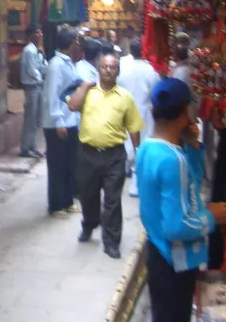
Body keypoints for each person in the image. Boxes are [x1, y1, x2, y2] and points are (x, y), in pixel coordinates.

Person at [136, 78, 226, 322]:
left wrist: (193, 145)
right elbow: (176, 227)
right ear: (184, 113)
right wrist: (211, 217)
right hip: (173, 265)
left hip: (159, 256)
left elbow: (191, 182)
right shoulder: (171, 160)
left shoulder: (148, 148)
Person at [66, 50, 143, 259]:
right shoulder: (88, 92)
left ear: (118, 71)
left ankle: (111, 242)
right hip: (87, 154)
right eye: (105, 67)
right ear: (98, 69)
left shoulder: (125, 97)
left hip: (114, 156)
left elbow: (134, 128)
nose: (109, 70)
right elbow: (72, 105)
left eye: (113, 67)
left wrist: (139, 155)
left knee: (113, 200)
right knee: (87, 195)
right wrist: (84, 86)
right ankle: (89, 224)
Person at [42, 25, 82, 218]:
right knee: (57, 165)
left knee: (69, 164)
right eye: (76, 41)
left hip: (70, 120)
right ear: (71, 43)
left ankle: (67, 200)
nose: (78, 44)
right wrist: (59, 122)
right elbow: (52, 95)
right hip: (58, 124)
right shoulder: (56, 65)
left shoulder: (69, 63)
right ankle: (55, 204)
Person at [118, 38, 161, 195]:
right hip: (144, 113)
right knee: (142, 147)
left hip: (126, 112)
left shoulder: (123, 69)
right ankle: (138, 183)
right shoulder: (150, 71)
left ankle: (131, 178)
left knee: (129, 145)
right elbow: (156, 93)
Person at [19, 24, 48, 158]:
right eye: (37, 32)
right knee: (30, 118)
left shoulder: (37, 50)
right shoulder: (28, 51)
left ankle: (33, 146)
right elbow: (32, 71)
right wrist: (41, 78)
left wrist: (43, 55)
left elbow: (44, 68)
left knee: (37, 119)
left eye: (41, 32)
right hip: (32, 87)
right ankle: (25, 148)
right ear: (30, 35)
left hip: (39, 86)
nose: (40, 35)